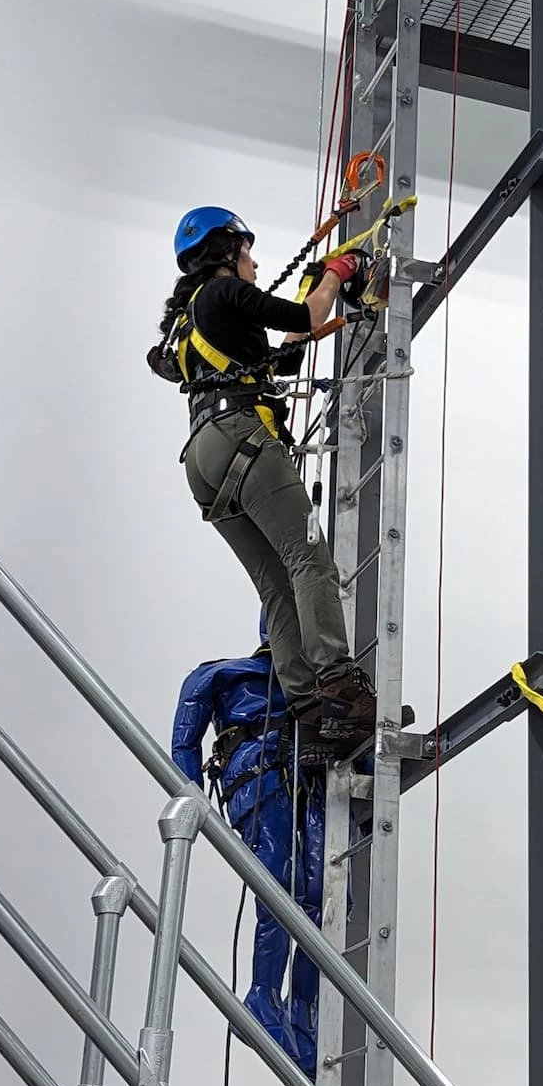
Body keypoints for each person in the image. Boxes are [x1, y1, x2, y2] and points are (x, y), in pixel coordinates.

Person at [150, 203, 375, 754]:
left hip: (204, 457)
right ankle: (338, 684)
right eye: (247, 251)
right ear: (227, 251)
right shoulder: (222, 294)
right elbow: (307, 318)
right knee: (309, 558)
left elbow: (277, 363)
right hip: (241, 437)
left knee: (275, 582)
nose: (253, 262)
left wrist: (308, 301)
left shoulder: (190, 322)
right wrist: (336, 274)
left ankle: (308, 709)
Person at [171, 621, 325, 1077]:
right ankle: (263, 995)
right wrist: (194, 800)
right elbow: (183, 743)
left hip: (310, 780)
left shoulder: (318, 689)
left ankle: (302, 1009)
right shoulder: (221, 675)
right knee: (278, 882)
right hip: (257, 776)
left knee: (327, 894)